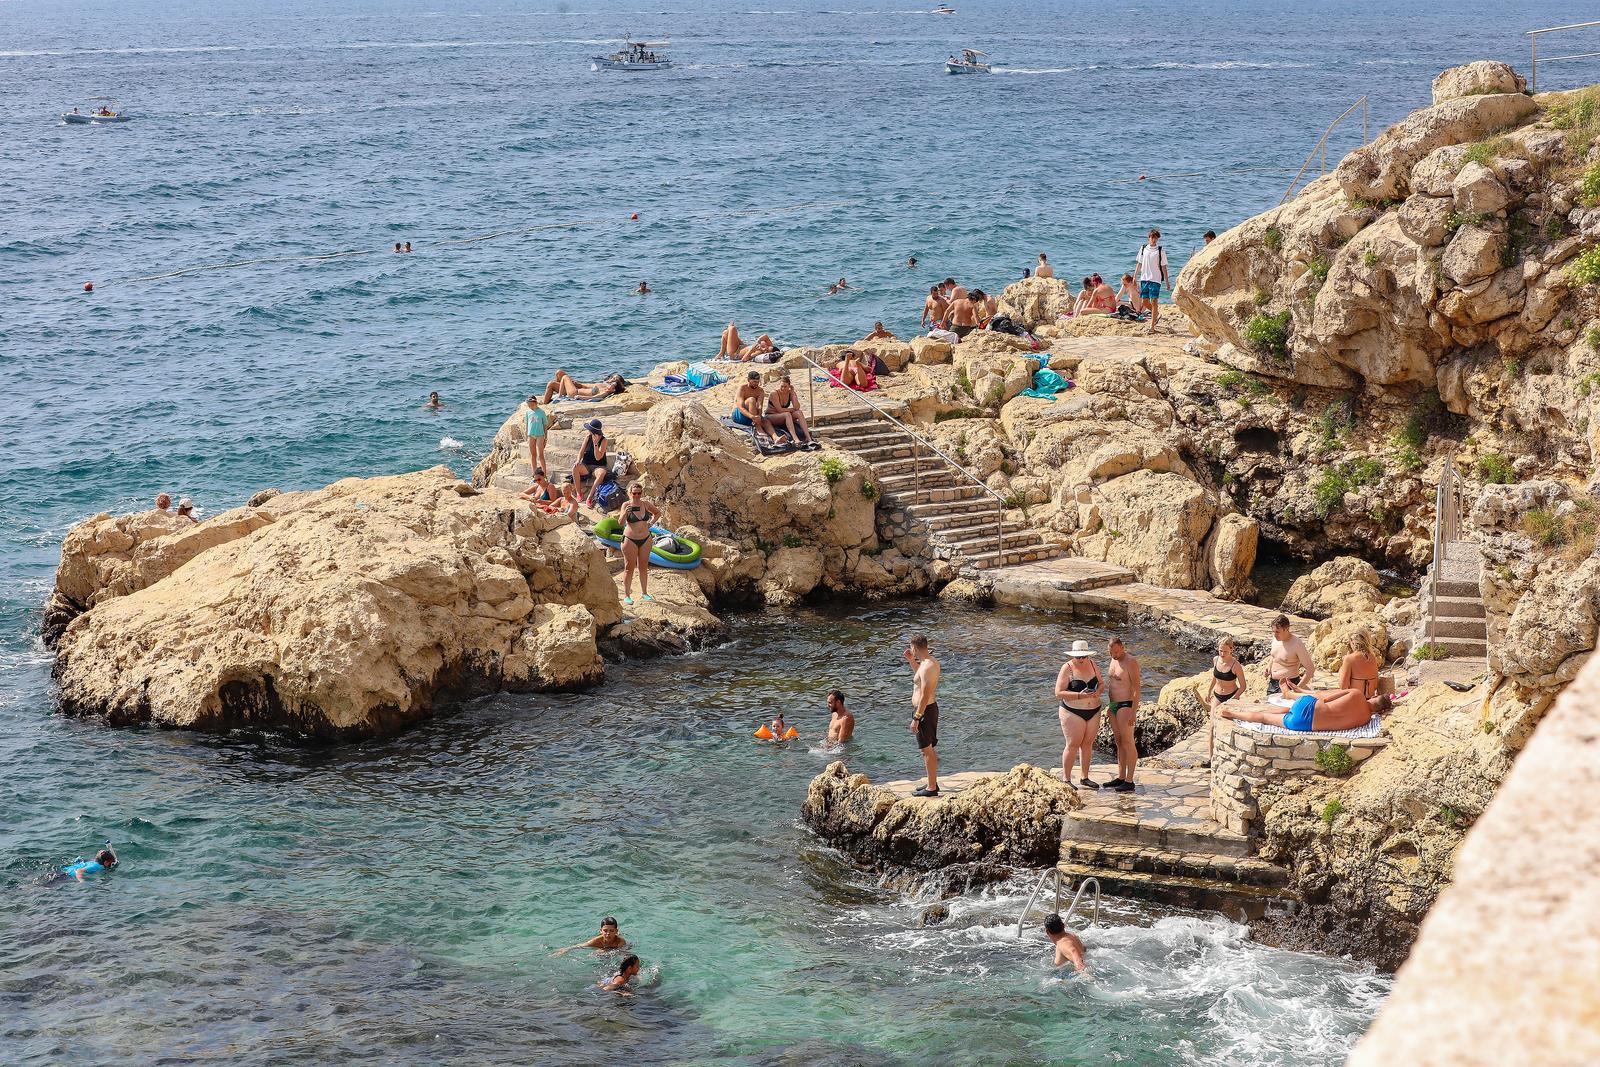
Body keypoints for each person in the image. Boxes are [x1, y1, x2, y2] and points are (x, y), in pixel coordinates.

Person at [1220, 688, 1394, 732]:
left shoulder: (1357, 695)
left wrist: (1301, 693)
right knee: (1265, 718)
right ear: (1379, 712)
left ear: (1372, 698)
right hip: (1303, 724)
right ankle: (1234, 715)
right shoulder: (1365, 720)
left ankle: (1232, 712)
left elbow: (1323, 697)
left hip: (1307, 706)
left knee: (1292, 706)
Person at [1055, 639, 1103, 790]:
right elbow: (1058, 693)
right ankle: (1066, 779)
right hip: (1072, 711)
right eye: (1078, 657)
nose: (1081, 660)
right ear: (1073, 656)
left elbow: (1101, 683)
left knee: (1087, 744)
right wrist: (1079, 695)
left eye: (1084, 656)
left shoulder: (1093, 664)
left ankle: (1085, 777)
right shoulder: (1067, 668)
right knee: (1073, 744)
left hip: (1094, 710)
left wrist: (1098, 692)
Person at [904, 635, 941, 797]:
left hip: (925, 710)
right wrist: (911, 660)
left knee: (926, 750)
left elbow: (925, 695)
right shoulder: (927, 663)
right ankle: (931, 783)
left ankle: (932, 788)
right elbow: (918, 678)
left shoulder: (928, 667)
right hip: (926, 709)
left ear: (915, 647)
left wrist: (917, 718)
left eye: (911, 648)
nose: (911, 650)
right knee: (927, 749)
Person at [1104, 637, 1141, 792]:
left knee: (1128, 742)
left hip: (1126, 704)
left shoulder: (1130, 661)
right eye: (1111, 653)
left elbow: (1136, 688)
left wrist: (1133, 711)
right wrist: (1109, 706)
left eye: (1117, 652)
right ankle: (1120, 777)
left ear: (1122, 647)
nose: (1114, 655)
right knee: (1118, 741)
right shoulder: (1113, 660)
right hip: (1113, 704)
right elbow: (1113, 685)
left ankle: (1130, 780)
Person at [1206, 636, 1246, 764]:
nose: (1222, 654)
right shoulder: (1216, 660)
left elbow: (1243, 686)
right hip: (1217, 696)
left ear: (1231, 650)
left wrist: (1233, 699)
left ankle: (1231, 757)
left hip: (1231, 697)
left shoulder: (1236, 665)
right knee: (1212, 727)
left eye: (1225, 651)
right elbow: (1215, 676)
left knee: (1230, 728)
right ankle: (1211, 759)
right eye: (1220, 651)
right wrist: (1208, 691)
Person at [619, 484, 660, 606]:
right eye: (634, 493)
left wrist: (651, 523)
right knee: (629, 568)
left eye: (639, 493)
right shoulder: (626, 505)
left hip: (646, 539)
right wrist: (624, 514)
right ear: (630, 493)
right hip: (630, 539)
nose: (636, 495)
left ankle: (645, 592)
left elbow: (657, 513)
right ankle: (627, 595)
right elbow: (620, 523)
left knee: (643, 567)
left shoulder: (646, 504)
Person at [1266, 614, 1315, 696]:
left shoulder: (1296, 644)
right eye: (1273, 631)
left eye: (1278, 632)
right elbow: (1274, 655)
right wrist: (1269, 665)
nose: (1275, 634)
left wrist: (1297, 688)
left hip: (1289, 684)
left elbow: (1310, 669)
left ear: (1287, 629)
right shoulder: (1275, 639)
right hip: (1273, 683)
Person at [765, 371, 817, 448]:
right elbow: (779, 410)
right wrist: (792, 409)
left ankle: (808, 438)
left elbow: (797, 407)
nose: (782, 388)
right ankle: (795, 438)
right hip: (772, 416)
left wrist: (793, 393)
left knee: (799, 413)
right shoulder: (774, 393)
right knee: (787, 414)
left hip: (783, 416)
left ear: (789, 386)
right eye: (781, 386)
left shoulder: (790, 392)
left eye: (785, 386)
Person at [1134, 228, 1169, 334]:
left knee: (1154, 301)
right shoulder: (1143, 248)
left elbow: (1164, 267)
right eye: (1152, 237)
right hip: (1144, 278)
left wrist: (1167, 281)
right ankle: (1156, 314)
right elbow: (1139, 263)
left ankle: (1152, 327)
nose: (1154, 239)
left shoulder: (1160, 250)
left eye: (1156, 238)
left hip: (1156, 279)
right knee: (1145, 301)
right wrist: (1135, 276)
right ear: (1149, 237)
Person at [734, 370, 780, 438]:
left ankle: (776, 438)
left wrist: (758, 416)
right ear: (749, 380)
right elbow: (741, 407)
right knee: (751, 400)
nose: (756, 384)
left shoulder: (760, 391)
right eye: (754, 382)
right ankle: (758, 428)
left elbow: (759, 406)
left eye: (758, 382)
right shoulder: (742, 388)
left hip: (752, 416)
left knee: (766, 421)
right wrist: (752, 417)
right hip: (739, 415)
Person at [574, 420, 609, 506]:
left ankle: (590, 497)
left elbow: (598, 458)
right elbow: (581, 452)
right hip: (586, 465)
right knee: (575, 467)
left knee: (601, 473)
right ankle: (579, 494)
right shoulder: (587, 437)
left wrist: (595, 444)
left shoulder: (604, 440)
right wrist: (578, 460)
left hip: (598, 466)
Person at [1338, 632, 1382, 698]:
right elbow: (1375, 685)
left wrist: (1342, 668)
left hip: (1355, 699)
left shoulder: (1349, 658)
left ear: (1353, 643)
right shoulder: (1372, 657)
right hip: (1370, 698)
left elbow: (1343, 686)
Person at [554, 916, 627, 956]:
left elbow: (621, 953)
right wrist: (566, 949)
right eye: (605, 931)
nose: (608, 933)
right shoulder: (596, 941)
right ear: (600, 931)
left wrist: (603, 951)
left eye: (611, 931)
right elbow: (580, 945)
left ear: (616, 931)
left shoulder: (620, 941)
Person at [541, 370, 627, 403]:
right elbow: (588, 387)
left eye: (615, 379)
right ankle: (559, 391)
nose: (612, 379)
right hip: (576, 389)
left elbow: (594, 397)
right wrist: (578, 384)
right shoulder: (604, 385)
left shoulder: (605, 390)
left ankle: (556, 397)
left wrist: (580, 397)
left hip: (574, 392)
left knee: (563, 378)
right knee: (558, 373)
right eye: (612, 377)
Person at [524, 395, 549, 475]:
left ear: (534, 402)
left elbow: (545, 425)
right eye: (528, 404)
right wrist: (527, 436)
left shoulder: (541, 412)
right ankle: (535, 474)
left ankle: (544, 474)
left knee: (540, 455)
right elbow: (527, 425)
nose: (529, 406)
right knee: (533, 455)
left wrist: (545, 437)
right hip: (531, 435)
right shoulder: (528, 412)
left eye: (530, 403)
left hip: (540, 435)